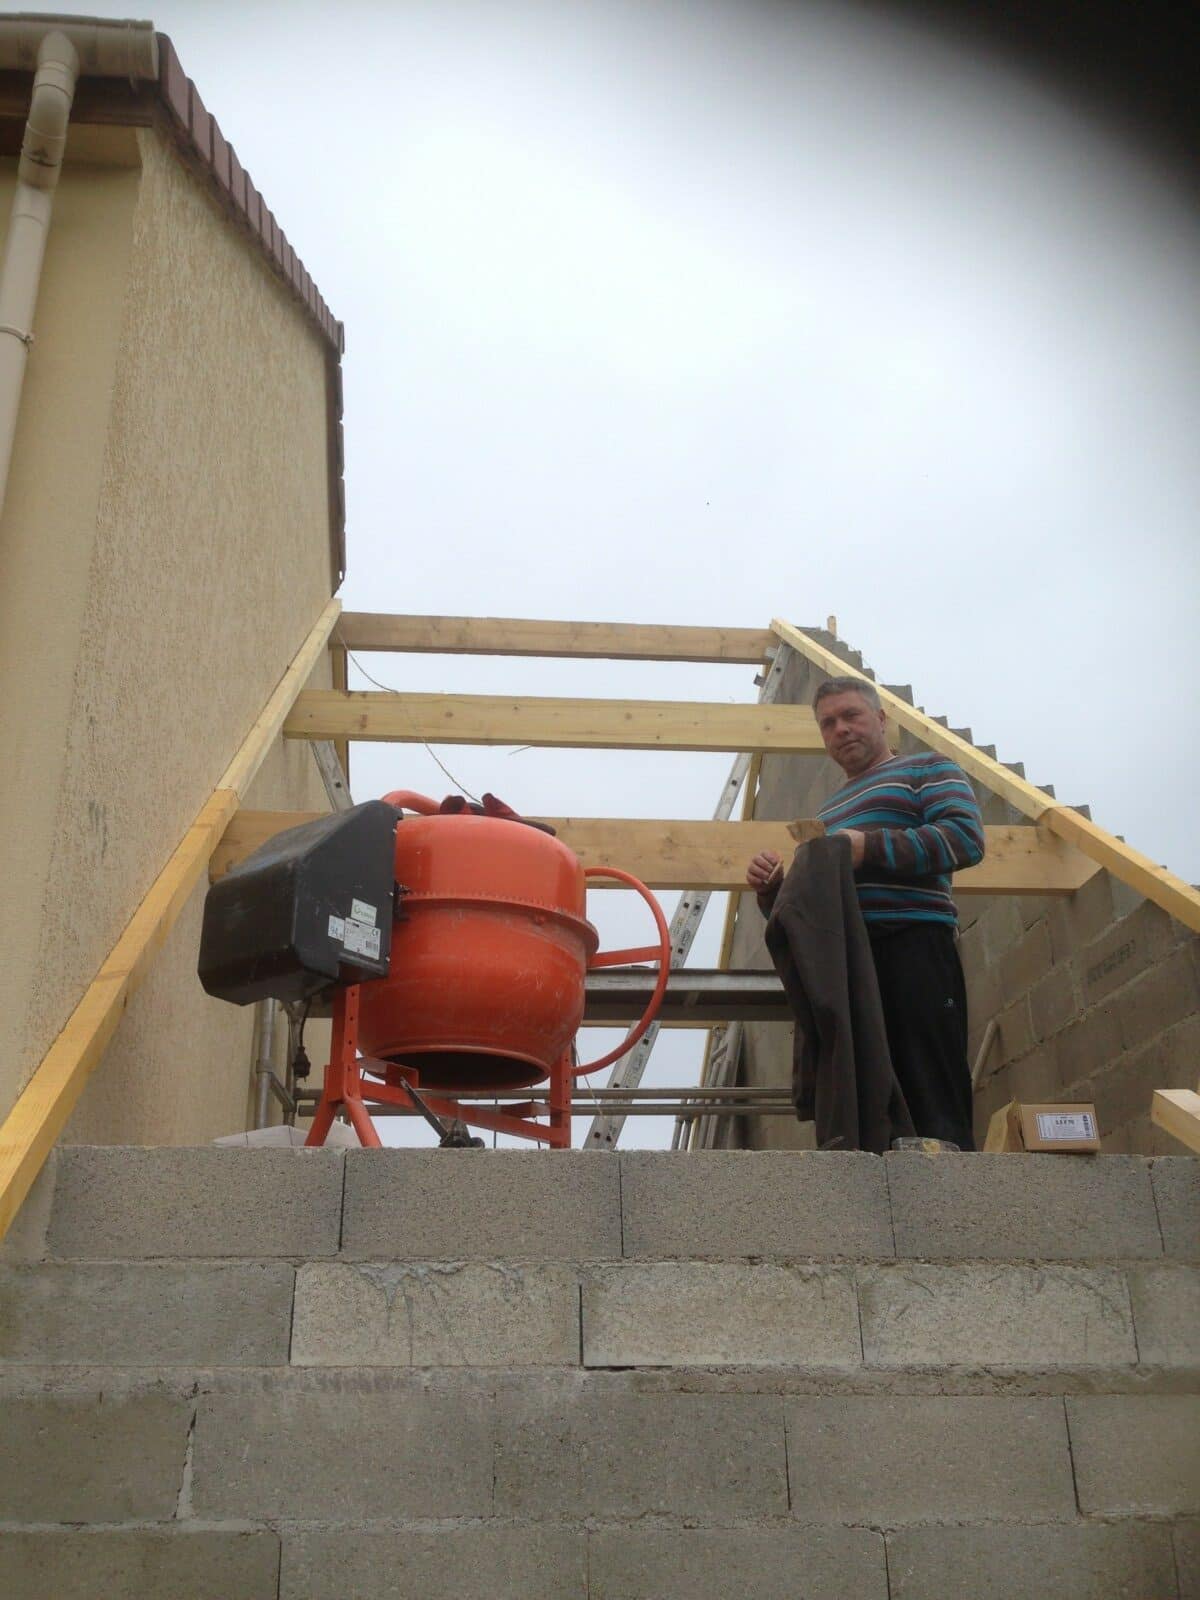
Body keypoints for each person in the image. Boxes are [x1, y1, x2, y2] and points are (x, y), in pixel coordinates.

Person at [746, 676, 985, 1149]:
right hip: (851, 964)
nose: (841, 730)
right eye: (828, 723)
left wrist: (868, 848)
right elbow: (816, 904)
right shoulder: (829, 811)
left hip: (915, 946)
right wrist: (775, 890)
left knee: (929, 1085)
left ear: (880, 718)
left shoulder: (928, 770)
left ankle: (951, 1197)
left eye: (851, 715)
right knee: (866, 1094)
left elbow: (965, 840)